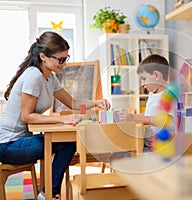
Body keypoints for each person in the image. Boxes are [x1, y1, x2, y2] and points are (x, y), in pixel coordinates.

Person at [0, 31, 110, 200]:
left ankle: (48, 193)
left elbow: (72, 103)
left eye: (66, 58)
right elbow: (26, 117)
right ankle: (49, 194)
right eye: (61, 59)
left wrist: (96, 103)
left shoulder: (49, 78)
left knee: (66, 141)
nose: (64, 64)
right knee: (67, 142)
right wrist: (61, 118)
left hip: (20, 140)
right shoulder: (33, 76)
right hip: (8, 145)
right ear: (43, 57)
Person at [118, 54, 177, 152]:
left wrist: (134, 118)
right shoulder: (152, 94)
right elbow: (148, 115)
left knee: (125, 153)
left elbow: (169, 121)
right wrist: (131, 116)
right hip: (147, 143)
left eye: (144, 79)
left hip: (160, 146)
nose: (142, 84)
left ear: (156, 75)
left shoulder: (168, 95)